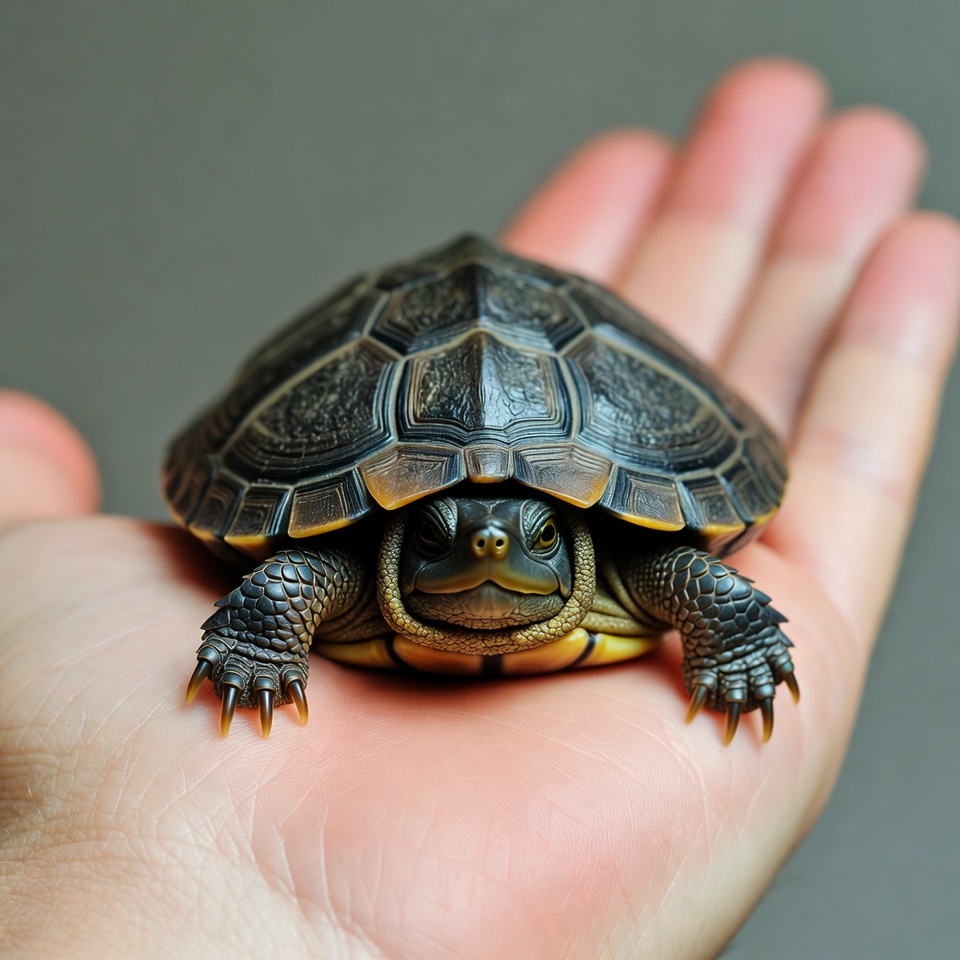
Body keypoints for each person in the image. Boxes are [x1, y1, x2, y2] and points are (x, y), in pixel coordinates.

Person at [1, 58, 957, 959]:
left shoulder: (642, 568)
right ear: (402, 547)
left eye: (531, 536)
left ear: (571, 547)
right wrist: (254, 650)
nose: (494, 539)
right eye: (447, 534)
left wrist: (735, 637)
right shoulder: (332, 574)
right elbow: (289, 579)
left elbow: (705, 586)